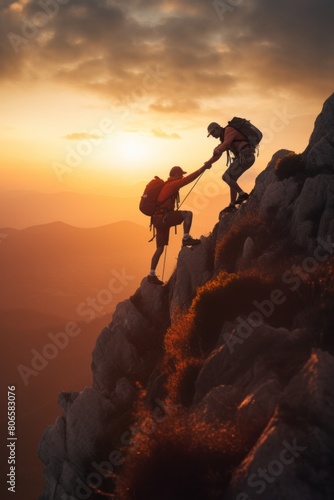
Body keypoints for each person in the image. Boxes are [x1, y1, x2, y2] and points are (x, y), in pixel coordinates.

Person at [147, 164, 210, 285]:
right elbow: (188, 180)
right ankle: (186, 238)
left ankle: (151, 274)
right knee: (188, 214)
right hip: (164, 218)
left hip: (158, 220)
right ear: (175, 175)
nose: (182, 176)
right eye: (180, 174)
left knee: (159, 249)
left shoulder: (167, 185)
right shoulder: (172, 184)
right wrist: (202, 168)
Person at [204, 121, 256, 211]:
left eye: (213, 132)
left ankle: (242, 194)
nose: (213, 135)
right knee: (231, 179)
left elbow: (225, 145)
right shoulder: (225, 137)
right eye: (211, 134)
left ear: (218, 128)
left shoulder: (229, 130)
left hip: (246, 157)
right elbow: (219, 153)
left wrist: (218, 149)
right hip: (246, 158)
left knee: (226, 176)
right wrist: (209, 162)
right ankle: (232, 205)